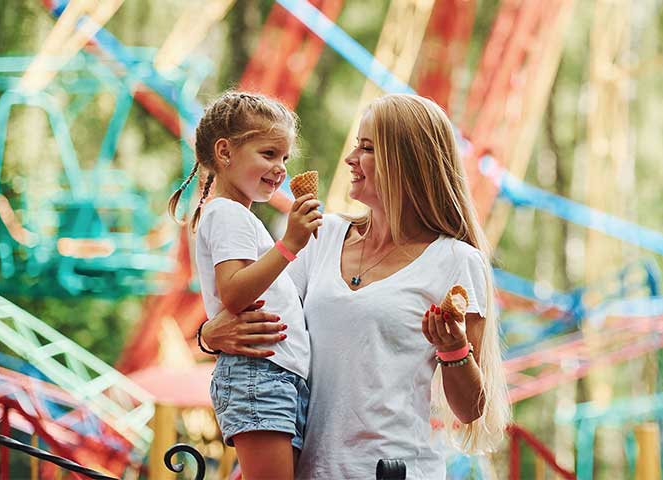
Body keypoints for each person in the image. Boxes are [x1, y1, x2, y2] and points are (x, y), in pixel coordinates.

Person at [200, 93, 510, 479]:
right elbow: (264, 317)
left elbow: (470, 409)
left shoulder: (456, 261)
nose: (349, 159)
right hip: (309, 469)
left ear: (407, 162)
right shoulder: (320, 236)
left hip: (394, 471)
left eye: (366, 148)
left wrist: (453, 350)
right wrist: (209, 334)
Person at [168, 91, 322, 479]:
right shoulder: (228, 214)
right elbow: (234, 292)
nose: (281, 168)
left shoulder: (236, 217)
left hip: (274, 375)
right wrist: (290, 245)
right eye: (268, 154)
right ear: (225, 152)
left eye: (284, 158)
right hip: (260, 375)